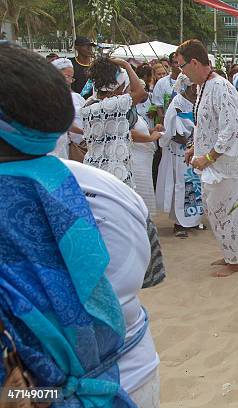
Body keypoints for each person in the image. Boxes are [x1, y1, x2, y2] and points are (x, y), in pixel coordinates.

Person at [0, 42, 160, 408]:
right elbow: (136, 279)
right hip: (131, 373)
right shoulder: (109, 197)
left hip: (45, 391)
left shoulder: (88, 107)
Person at [177, 39, 238, 276]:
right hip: (212, 164)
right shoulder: (202, 87)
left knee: (224, 211)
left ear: (194, 62)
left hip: (225, 165)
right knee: (216, 211)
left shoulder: (220, 87)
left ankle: (235, 260)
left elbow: (232, 128)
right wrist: (194, 149)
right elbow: (205, 126)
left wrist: (208, 156)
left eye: (182, 66)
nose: (182, 72)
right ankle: (232, 254)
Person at [80, 57, 155, 186]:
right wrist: (126, 65)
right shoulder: (113, 105)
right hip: (114, 170)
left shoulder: (88, 104)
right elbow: (141, 92)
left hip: (93, 165)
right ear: (115, 83)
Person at [157, 74, 204, 237]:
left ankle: (193, 221)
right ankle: (179, 223)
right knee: (181, 185)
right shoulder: (177, 102)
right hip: (180, 151)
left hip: (195, 150)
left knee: (195, 185)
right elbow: (172, 129)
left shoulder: (199, 101)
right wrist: (189, 140)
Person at [49, 57, 86, 160]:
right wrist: (85, 132)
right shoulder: (47, 96)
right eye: (67, 76)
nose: (69, 81)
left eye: (71, 77)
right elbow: (67, 124)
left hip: (63, 145)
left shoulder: (69, 96)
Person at [152, 52, 180, 124]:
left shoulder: (189, 81)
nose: (179, 65)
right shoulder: (161, 83)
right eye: (176, 62)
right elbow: (159, 108)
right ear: (170, 64)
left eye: (181, 62)